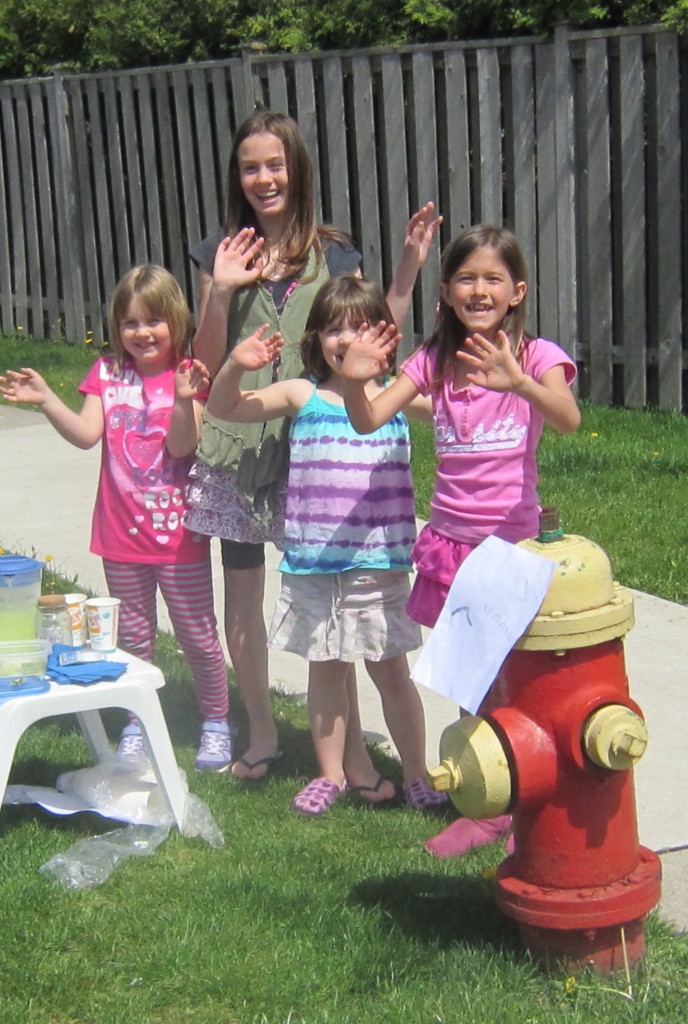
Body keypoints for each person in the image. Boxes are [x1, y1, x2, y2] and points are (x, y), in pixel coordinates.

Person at [187, 109, 441, 780]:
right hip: (238, 446)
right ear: (235, 176)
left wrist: (409, 273)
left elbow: (368, 336)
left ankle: (352, 753)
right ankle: (264, 733)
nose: (264, 178)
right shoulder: (221, 252)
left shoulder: (338, 255)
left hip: (314, 451)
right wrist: (222, 292)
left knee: (333, 602)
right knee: (240, 597)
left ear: (297, 168)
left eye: (275, 164)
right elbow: (204, 364)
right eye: (250, 166)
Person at [341, 224, 581, 853]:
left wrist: (519, 383)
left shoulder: (537, 356)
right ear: (445, 291)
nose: (480, 289)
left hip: (510, 552)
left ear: (517, 290)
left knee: (515, 681)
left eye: (493, 278)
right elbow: (368, 419)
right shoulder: (433, 361)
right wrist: (352, 376)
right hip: (451, 545)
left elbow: (570, 419)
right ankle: (483, 803)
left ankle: (524, 798)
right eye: (466, 278)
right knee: (469, 682)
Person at [194, 274, 445, 814]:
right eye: (334, 329)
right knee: (326, 670)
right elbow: (224, 409)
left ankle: (417, 774)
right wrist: (236, 364)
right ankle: (331, 774)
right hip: (313, 565)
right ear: (316, 338)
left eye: (360, 329)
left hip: (378, 564)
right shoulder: (301, 393)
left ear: (384, 338)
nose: (346, 341)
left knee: (392, 673)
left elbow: (458, 411)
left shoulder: (397, 396)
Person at [0, 265, 233, 772]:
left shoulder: (189, 374)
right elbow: (86, 434)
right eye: (130, 323)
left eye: (154, 322)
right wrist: (46, 400)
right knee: (133, 638)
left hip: (177, 537)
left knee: (196, 632)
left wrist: (185, 399)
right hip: (118, 534)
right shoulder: (107, 373)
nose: (142, 333)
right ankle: (136, 723)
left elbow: (180, 445)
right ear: (115, 327)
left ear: (176, 320)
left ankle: (216, 720)